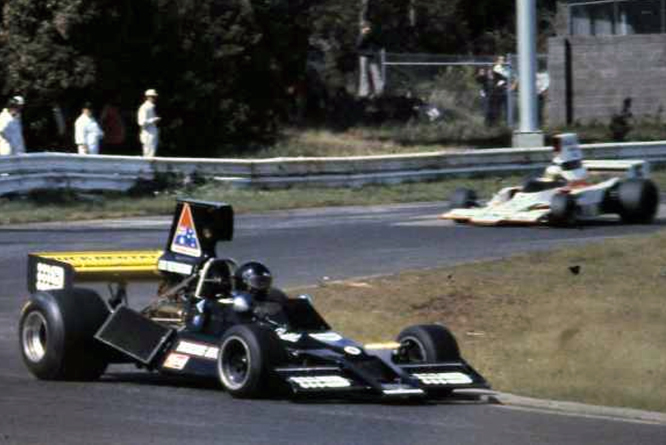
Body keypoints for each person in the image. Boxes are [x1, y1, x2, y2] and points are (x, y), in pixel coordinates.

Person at [357, 21, 385, 98]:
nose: (368, 29)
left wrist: (376, 50)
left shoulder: (373, 35)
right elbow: (358, 45)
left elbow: (378, 43)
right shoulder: (361, 35)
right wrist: (363, 35)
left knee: (376, 73)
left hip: (372, 55)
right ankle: (364, 92)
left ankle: (379, 90)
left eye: (368, 27)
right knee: (364, 74)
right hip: (363, 56)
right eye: (366, 27)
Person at [137, 89, 160, 157]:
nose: (154, 98)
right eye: (152, 96)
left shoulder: (152, 107)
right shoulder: (144, 107)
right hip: (147, 133)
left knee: (152, 153)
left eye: (154, 97)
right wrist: (153, 120)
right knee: (148, 154)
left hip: (152, 132)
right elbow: (141, 122)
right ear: (147, 97)